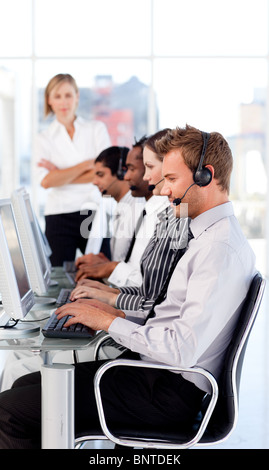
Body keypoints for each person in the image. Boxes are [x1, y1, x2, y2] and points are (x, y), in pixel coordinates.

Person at [0, 125, 256, 449]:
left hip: (167, 393)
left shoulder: (219, 249)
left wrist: (108, 321)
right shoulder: (207, 237)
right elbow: (168, 319)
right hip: (155, 377)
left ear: (206, 176)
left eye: (172, 179)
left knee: (10, 410)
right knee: (25, 386)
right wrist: (108, 309)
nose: (162, 190)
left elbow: (179, 349)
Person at [71, 128, 187, 315]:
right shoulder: (149, 211)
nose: (126, 177)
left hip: (146, 321)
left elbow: (153, 296)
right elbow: (148, 289)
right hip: (137, 310)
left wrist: (110, 282)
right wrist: (108, 290)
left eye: (134, 169)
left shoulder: (170, 217)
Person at [35, 73, 111, 266]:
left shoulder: (96, 129)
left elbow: (105, 173)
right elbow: (46, 182)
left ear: (77, 96)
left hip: (93, 212)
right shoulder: (43, 138)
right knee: (58, 277)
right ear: (49, 100)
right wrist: (86, 165)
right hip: (58, 215)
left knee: (101, 272)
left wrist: (59, 174)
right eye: (57, 96)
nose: (64, 102)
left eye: (68, 95)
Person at [74, 136, 169, 287]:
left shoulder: (149, 212)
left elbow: (146, 282)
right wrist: (106, 265)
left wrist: (110, 267)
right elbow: (131, 267)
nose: (126, 176)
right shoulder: (137, 209)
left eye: (100, 174)